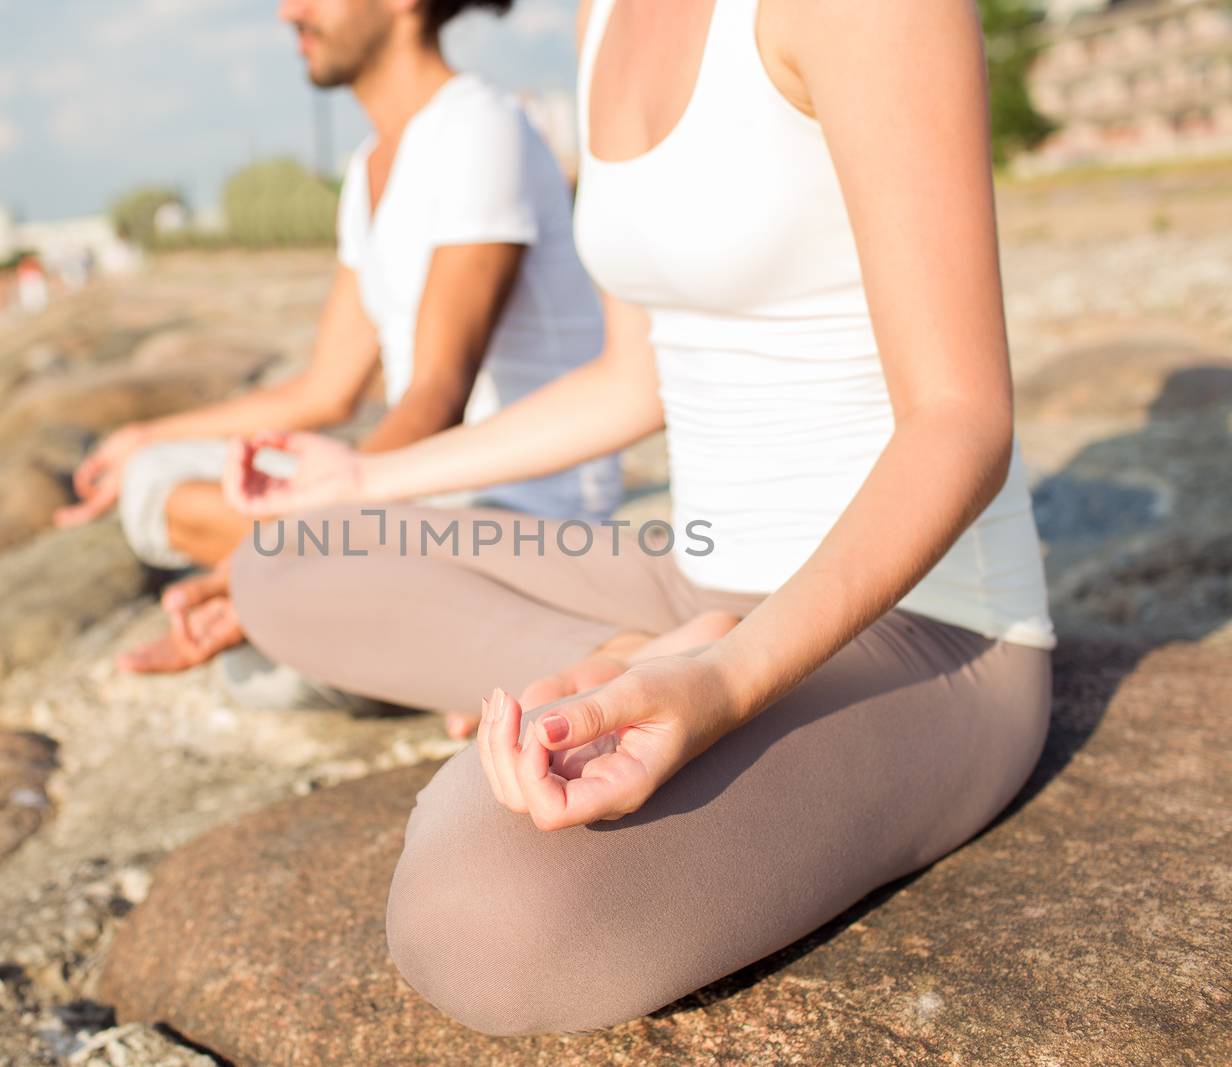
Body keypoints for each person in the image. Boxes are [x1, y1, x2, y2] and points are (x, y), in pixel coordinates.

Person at [220, 0, 1057, 1036]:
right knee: (290, 551)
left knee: (479, 922)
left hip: (921, 624)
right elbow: (630, 382)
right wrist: (358, 480)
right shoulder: (600, 18)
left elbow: (959, 420)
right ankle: (609, 656)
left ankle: (616, 683)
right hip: (690, 576)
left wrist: (726, 679)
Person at [54, 0, 621, 699]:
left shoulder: (478, 128)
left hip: (518, 511)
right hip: (414, 500)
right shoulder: (370, 167)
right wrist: (142, 433)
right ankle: (329, 606)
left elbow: (437, 393)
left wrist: (301, 538)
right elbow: (324, 388)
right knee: (151, 475)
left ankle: (361, 611)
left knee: (267, 677)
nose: (289, 11)